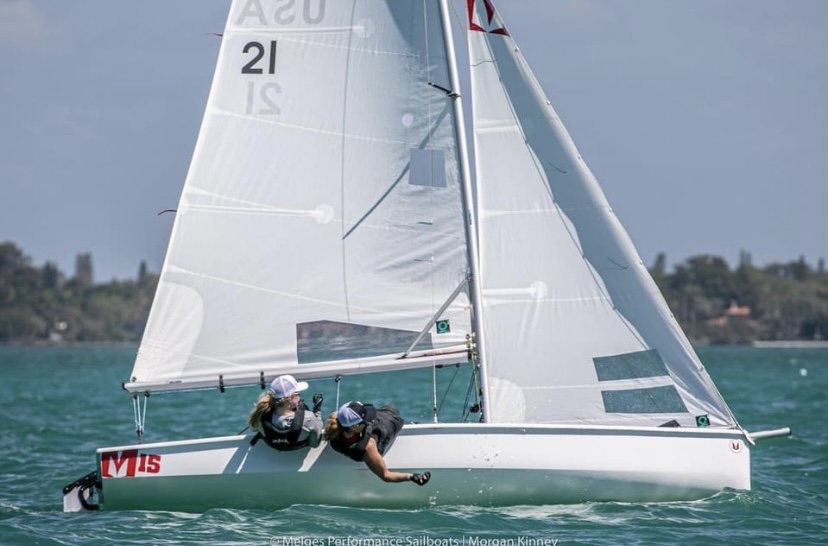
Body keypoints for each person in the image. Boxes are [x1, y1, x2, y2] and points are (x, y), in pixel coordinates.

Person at [324, 401, 431, 485]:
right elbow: (386, 475)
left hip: (390, 419)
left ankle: (411, 424)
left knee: (391, 408)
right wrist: (412, 477)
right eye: (365, 419)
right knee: (390, 409)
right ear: (355, 427)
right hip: (388, 421)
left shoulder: (339, 418)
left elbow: (386, 475)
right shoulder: (368, 446)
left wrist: (411, 477)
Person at [248, 374, 324, 451]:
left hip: (273, 450)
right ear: (290, 398)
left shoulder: (260, 414)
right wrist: (317, 411)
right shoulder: (308, 417)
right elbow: (315, 444)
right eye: (298, 394)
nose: (299, 397)